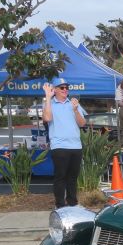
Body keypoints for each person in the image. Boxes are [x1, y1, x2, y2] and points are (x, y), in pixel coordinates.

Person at [43, 78, 87, 208]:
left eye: (67, 87)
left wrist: (75, 110)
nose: (65, 90)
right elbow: (47, 118)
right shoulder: (49, 103)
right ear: (55, 90)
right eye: (62, 87)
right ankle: (60, 205)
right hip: (59, 146)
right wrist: (48, 97)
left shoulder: (73, 103)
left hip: (76, 146)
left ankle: (72, 203)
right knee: (60, 177)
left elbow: (82, 124)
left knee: (73, 177)